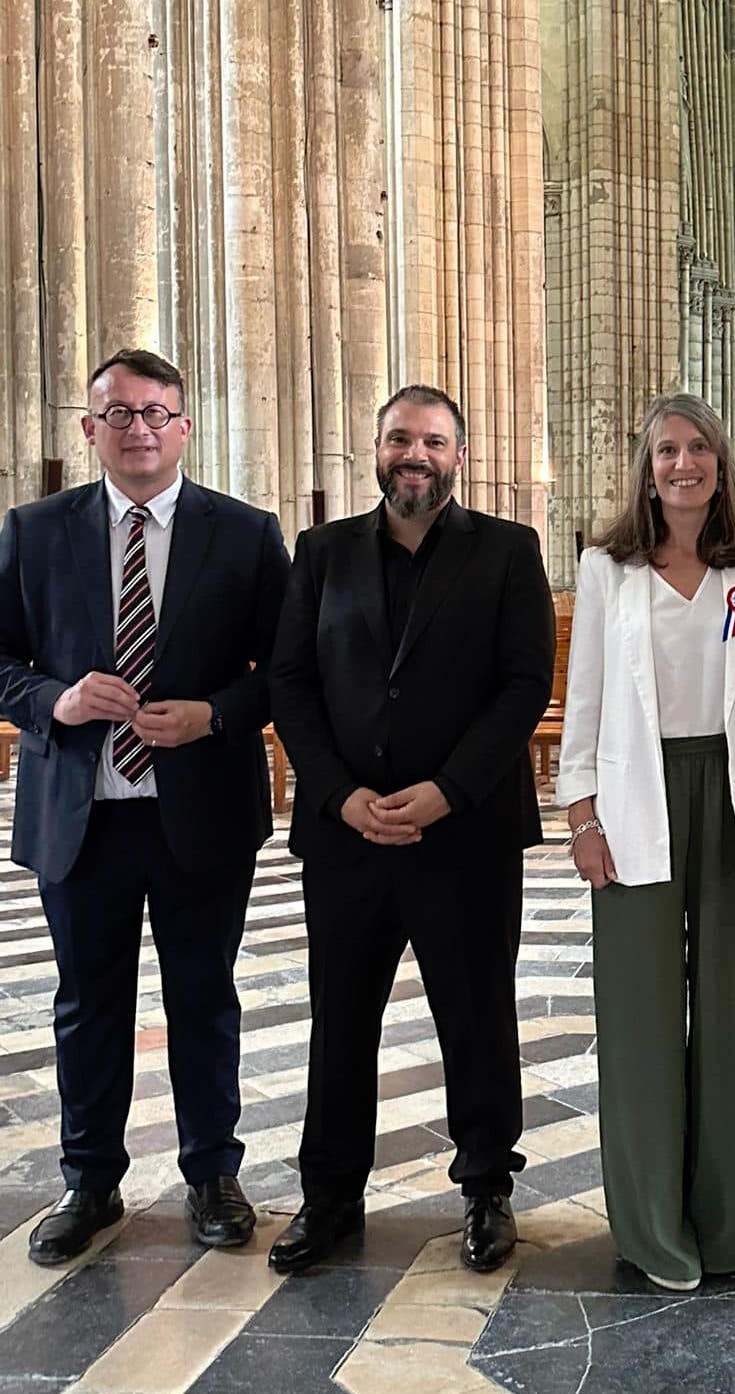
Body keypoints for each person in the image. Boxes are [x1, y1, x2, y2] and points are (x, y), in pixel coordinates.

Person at [0, 348, 290, 1264]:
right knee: (89, 1004)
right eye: (119, 413)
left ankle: (212, 1172)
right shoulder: (34, 530)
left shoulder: (245, 533)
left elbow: (286, 674)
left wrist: (212, 716)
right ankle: (90, 1180)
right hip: (83, 814)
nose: (140, 429)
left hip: (198, 808)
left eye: (158, 412)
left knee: (204, 996)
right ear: (89, 429)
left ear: (185, 428)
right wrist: (57, 702)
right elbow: (2, 666)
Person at [266, 384, 554, 1274]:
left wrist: (449, 790)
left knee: (475, 1014)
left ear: (458, 456)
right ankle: (329, 1197)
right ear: (377, 450)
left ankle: (486, 1189)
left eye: (432, 440)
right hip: (348, 834)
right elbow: (291, 683)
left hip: (462, 834)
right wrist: (337, 792)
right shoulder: (321, 552)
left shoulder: (508, 551)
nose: (414, 454)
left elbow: (524, 686)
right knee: (340, 1019)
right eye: (399, 439)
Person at [556, 393, 735, 1292]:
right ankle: (654, 1229)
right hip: (634, 799)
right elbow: (583, 704)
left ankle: (732, 1226)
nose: (683, 464)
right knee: (640, 1021)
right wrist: (580, 814)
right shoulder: (608, 568)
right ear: (646, 466)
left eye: (698, 447)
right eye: (666, 450)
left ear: (720, 463)